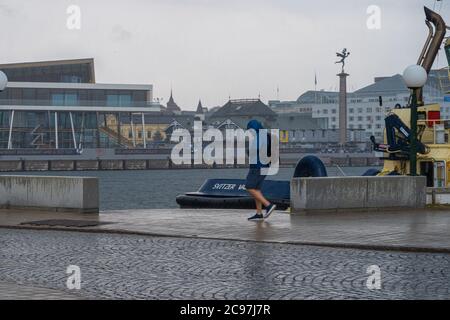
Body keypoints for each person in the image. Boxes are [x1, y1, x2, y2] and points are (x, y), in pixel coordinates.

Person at [245, 120, 276, 221]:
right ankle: (259, 213)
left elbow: (254, 150)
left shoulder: (259, 136)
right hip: (265, 165)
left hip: (257, 166)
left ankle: (268, 205)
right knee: (256, 189)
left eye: (250, 130)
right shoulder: (266, 135)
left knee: (249, 187)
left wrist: (248, 151)